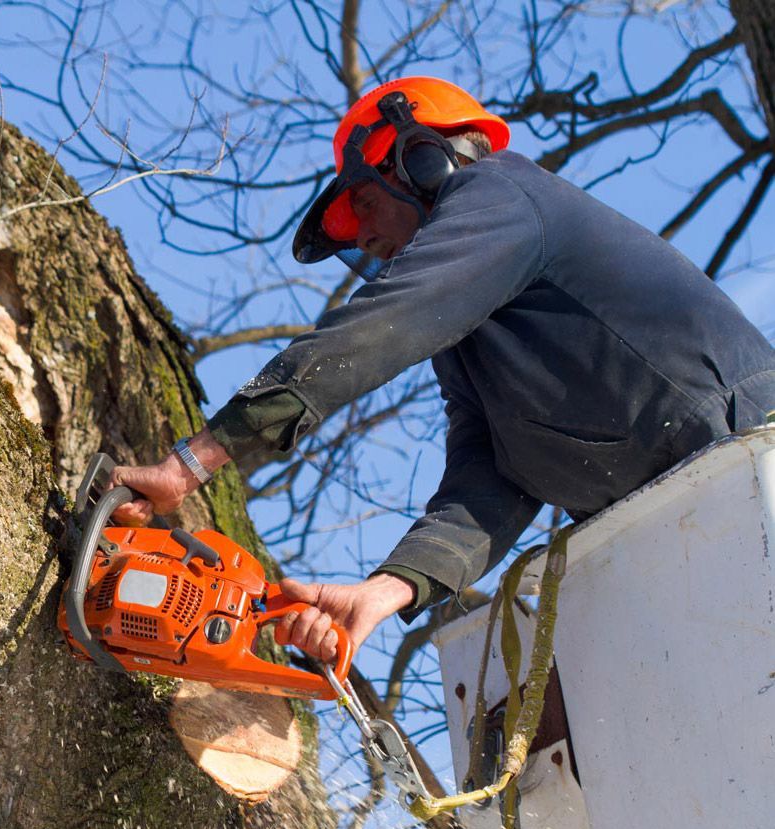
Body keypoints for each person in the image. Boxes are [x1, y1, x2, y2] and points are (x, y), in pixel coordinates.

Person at [111, 76, 775, 665]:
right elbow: (491, 479)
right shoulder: (473, 340)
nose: (363, 239)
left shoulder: (505, 194)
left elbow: (380, 326)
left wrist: (190, 464)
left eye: (364, 206)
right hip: (683, 524)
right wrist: (388, 588)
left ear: (420, 159)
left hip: (747, 457)